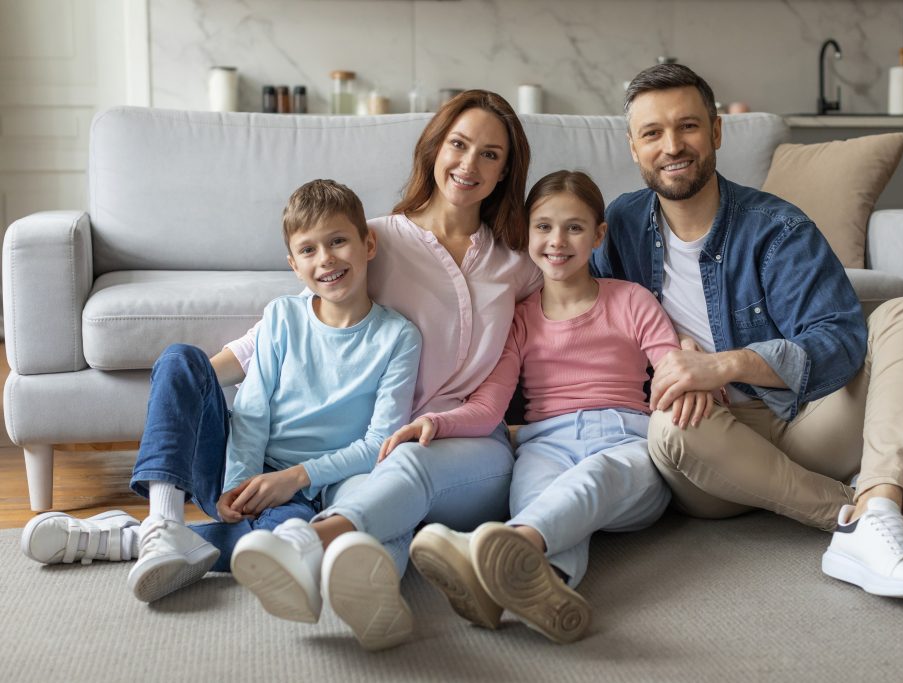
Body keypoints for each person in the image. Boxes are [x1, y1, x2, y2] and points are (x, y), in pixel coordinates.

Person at [591, 63, 903, 603]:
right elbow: (584, 321)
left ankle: (877, 507)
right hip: (710, 450)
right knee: (668, 430)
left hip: (803, 423)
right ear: (634, 148)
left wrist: (726, 363)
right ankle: (877, 508)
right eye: (653, 133)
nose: (672, 146)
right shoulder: (618, 226)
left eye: (687, 126)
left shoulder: (776, 227)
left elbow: (840, 340)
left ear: (715, 132)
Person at [228, 89, 542, 651]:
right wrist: (196, 376)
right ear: (434, 149)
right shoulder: (378, 237)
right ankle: (379, 608)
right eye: (459, 144)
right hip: (377, 440)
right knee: (371, 513)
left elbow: (573, 308)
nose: (469, 164)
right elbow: (294, 322)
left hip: (472, 447)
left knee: (404, 472)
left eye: (490, 155)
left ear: (505, 172)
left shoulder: (517, 263)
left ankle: (305, 545)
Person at [20, 179, 421, 605]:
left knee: (284, 544)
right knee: (180, 360)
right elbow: (252, 406)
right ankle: (162, 522)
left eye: (338, 241)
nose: (326, 259)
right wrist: (239, 479)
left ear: (368, 243)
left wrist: (293, 479)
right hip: (234, 468)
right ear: (294, 264)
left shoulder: (398, 337)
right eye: (309, 250)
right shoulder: (283, 316)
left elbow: (379, 444)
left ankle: (125, 540)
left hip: (297, 493)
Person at [377, 170, 710, 644]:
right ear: (527, 235)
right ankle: (544, 589)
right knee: (540, 502)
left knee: (592, 479)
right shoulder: (521, 317)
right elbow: (490, 406)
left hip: (628, 444)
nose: (558, 241)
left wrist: (696, 369)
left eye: (574, 228)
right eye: (544, 227)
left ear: (598, 236)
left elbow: (673, 370)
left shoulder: (631, 300)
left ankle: (494, 551)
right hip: (543, 446)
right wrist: (433, 421)